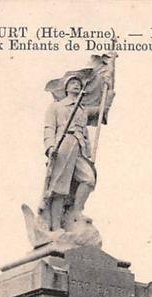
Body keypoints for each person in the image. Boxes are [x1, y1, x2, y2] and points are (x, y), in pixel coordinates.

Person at [42, 76, 96, 231]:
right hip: (63, 145)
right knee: (60, 187)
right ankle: (55, 227)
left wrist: (88, 151)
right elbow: (49, 128)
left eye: (79, 84)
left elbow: (85, 132)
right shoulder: (56, 107)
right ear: (66, 88)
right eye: (73, 83)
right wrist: (50, 146)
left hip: (79, 147)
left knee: (88, 179)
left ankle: (76, 212)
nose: (76, 85)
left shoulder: (82, 110)